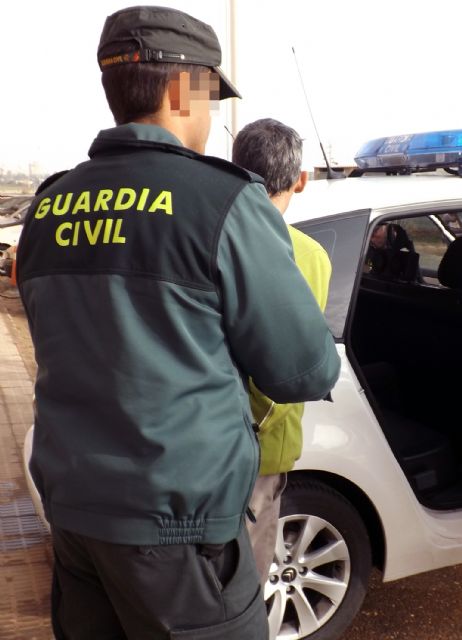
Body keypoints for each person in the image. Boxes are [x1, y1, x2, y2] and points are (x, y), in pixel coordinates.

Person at [17, 7, 340, 640]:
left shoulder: (49, 206)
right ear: (175, 91)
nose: (211, 116)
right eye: (209, 97)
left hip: (76, 515)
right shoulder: (220, 200)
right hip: (178, 531)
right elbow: (304, 368)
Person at [232, 118, 333, 583]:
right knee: (246, 586)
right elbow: (298, 356)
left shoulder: (212, 236)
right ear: (301, 179)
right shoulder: (310, 255)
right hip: (263, 452)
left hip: (201, 445)